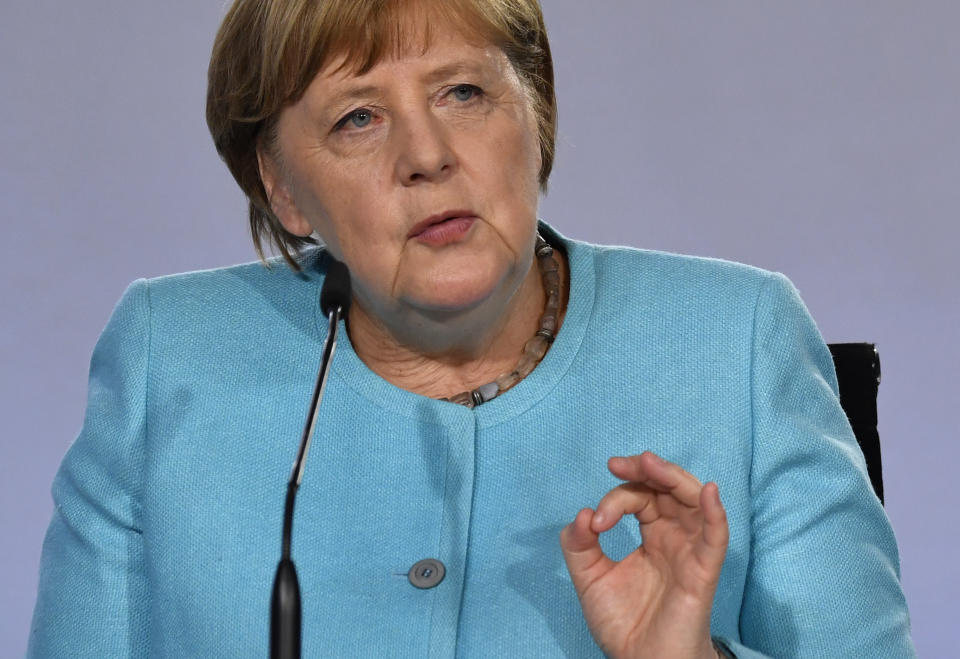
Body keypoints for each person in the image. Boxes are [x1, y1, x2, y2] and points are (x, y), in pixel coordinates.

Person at [29, 0, 914, 657]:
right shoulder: (168, 359)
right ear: (283, 190)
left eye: (462, 92)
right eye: (358, 117)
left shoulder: (738, 341)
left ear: (537, 118)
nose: (426, 155)